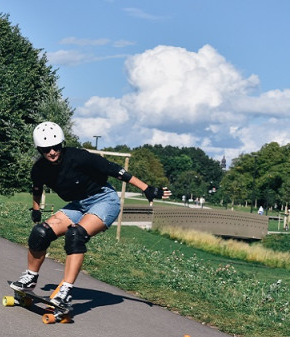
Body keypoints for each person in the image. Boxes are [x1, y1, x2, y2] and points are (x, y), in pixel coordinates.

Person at [10, 121, 171, 312]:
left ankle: (66, 291)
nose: (52, 152)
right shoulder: (39, 169)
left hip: (104, 200)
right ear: (39, 149)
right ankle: (30, 278)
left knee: (75, 235)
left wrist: (147, 188)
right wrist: (36, 209)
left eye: (55, 147)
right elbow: (37, 188)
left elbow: (114, 169)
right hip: (78, 205)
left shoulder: (78, 157)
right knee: (40, 233)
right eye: (46, 149)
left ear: (61, 144)